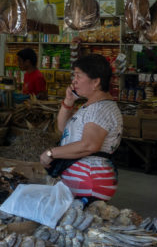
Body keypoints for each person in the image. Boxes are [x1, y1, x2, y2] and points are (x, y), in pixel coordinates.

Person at [40, 55, 122, 202]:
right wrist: (69, 101)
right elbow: (62, 129)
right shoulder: (91, 106)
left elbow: (89, 145)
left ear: (96, 81)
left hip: (90, 181)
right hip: (85, 180)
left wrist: (51, 153)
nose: (74, 81)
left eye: (78, 76)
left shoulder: (101, 109)